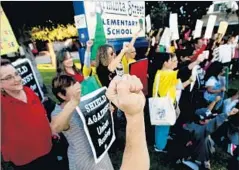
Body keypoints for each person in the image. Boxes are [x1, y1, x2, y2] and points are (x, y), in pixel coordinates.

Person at [51, 74, 149, 170]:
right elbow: (56, 127)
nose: (78, 86)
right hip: (83, 160)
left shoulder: (84, 102)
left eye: (74, 83)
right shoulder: (58, 111)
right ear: (61, 95)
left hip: (99, 153)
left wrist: (105, 111)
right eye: (71, 85)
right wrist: (73, 102)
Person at [0, 59, 69, 170]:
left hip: (49, 150)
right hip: (26, 162)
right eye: (8, 77)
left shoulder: (28, 91)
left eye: (16, 74)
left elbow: (42, 115)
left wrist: (51, 131)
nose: (16, 79)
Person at [152, 52, 206, 152]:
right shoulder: (166, 74)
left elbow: (177, 86)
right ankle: (159, 147)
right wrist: (197, 61)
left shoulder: (165, 73)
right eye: (173, 60)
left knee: (165, 125)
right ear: (165, 63)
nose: (176, 62)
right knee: (162, 126)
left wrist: (189, 81)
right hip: (164, 106)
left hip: (165, 104)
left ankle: (162, 140)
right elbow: (182, 71)